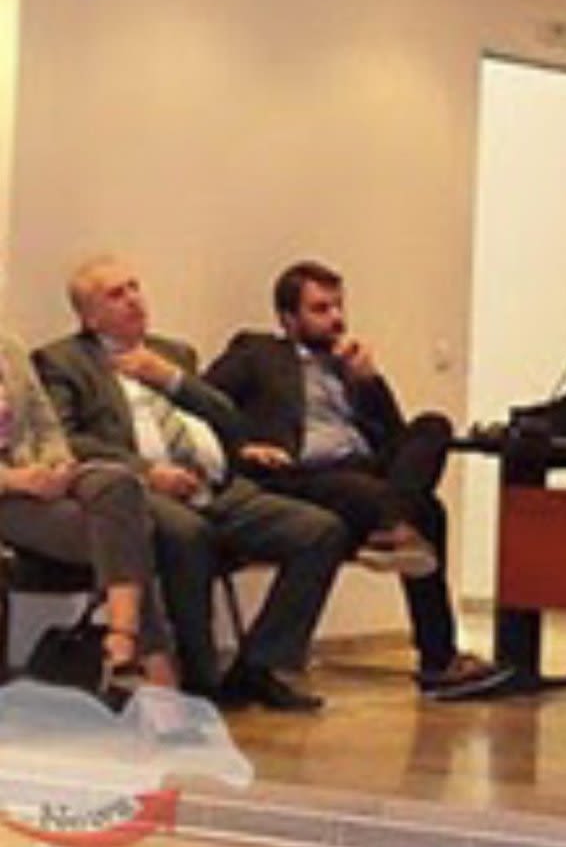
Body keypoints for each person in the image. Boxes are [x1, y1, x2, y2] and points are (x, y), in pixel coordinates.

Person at [37, 257, 349, 710]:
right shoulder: (63, 361)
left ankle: (259, 666)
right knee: (188, 534)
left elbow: (228, 420)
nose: (133, 300)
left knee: (321, 531)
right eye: (116, 295)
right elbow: (68, 440)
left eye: (134, 287)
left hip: (214, 486)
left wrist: (173, 380)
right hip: (143, 491)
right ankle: (201, 679)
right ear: (90, 316)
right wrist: (147, 473)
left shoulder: (174, 352)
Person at [205, 260, 513, 701]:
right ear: (289, 319)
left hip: (363, 472)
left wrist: (371, 382)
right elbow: (203, 403)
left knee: (433, 426)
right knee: (427, 512)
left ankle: (393, 525)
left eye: (338, 307)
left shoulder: (348, 367)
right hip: (301, 474)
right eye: (320, 309)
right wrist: (241, 448)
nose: (336, 318)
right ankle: (438, 656)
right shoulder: (258, 353)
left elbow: (395, 437)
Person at [0, 317, 174, 700]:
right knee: (124, 535)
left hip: (42, 476)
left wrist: (57, 466)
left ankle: (122, 632)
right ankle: (151, 665)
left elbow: (46, 424)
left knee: (118, 485)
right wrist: (17, 480)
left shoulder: (8, 346)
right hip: (7, 494)